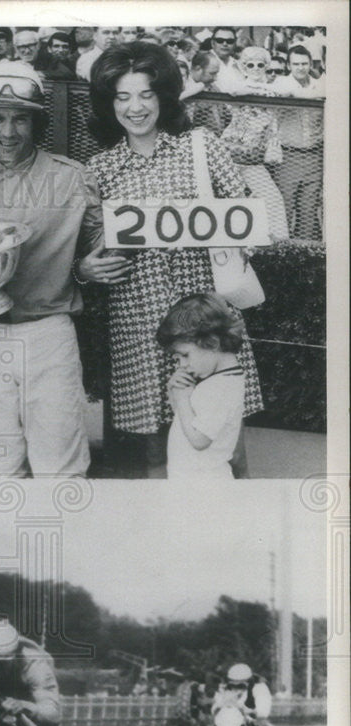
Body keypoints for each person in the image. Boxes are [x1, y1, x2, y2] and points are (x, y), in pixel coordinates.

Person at [86, 41, 263, 477]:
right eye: (122, 96)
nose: (135, 107)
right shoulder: (98, 169)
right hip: (139, 324)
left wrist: (236, 240)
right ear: (108, 104)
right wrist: (84, 269)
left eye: (146, 93)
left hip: (207, 321)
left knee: (225, 444)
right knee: (156, 450)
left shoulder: (201, 147)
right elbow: (86, 250)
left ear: (164, 96)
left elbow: (245, 221)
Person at [0, 62, 107, 477]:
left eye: (20, 118)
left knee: (60, 467)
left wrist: (83, 272)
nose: (8, 131)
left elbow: (95, 256)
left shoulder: (74, 178)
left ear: (37, 123)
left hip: (48, 332)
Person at [157, 293, 246, 480]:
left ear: (212, 343)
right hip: (191, 478)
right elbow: (185, 421)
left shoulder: (222, 388)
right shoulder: (217, 381)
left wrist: (182, 399)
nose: (182, 364)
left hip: (205, 483)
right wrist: (174, 391)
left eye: (185, 355)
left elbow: (199, 440)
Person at [219, 47, 289, 240]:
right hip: (229, 157)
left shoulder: (273, 89)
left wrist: (267, 89)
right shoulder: (241, 85)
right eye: (250, 65)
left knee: (273, 199)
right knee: (230, 203)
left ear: (266, 66)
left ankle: (278, 246)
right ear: (243, 67)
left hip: (253, 161)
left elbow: (289, 91)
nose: (255, 68)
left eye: (260, 65)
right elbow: (232, 90)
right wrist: (261, 89)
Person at [268, 45, 325, 241]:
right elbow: (287, 93)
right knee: (284, 206)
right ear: (289, 65)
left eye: (304, 63)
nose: (300, 68)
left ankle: (303, 257)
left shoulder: (320, 85)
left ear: (310, 63)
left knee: (308, 211)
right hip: (288, 155)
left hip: (314, 155)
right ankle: (281, 254)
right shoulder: (281, 84)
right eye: (296, 64)